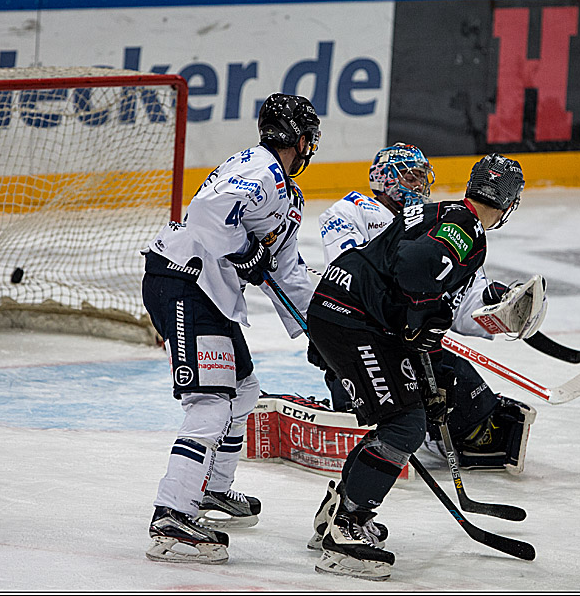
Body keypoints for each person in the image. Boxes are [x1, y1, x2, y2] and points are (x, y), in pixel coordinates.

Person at [306, 153, 526, 580]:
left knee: (404, 418)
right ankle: (345, 529)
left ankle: (337, 514)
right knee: (404, 426)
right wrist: (428, 316)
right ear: (508, 200)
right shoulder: (465, 228)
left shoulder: (444, 212)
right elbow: (413, 270)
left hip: (349, 312)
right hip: (353, 317)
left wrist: (426, 327)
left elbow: (415, 292)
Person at [140, 93, 320, 563]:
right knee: (210, 403)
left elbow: (286, 273)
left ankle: (211, 490)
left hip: (208, 292)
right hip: (184, 282)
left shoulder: (285, 194)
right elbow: (206, 214)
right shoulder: (258, 168)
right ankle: (172, 516)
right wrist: (244, 252)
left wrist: (321, 330)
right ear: (299, 139)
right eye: (309, 138)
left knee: (243, 389)